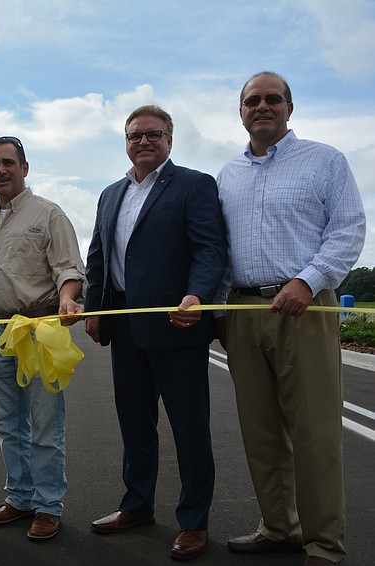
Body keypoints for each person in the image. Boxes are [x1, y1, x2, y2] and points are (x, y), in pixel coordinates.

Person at [216, 72, 365, 566]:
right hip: (241, 310)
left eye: (272, 99)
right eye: (252, 100)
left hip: (303, 306)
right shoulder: (227, 175)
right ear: (240, 111)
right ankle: (280, 526)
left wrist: (309, 279)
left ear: (290, 107)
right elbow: (220, 248)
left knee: (315, 432)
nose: (263, 106)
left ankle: (323, 544)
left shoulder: (325, 161)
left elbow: (347, 230)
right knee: (260, 431)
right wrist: (218, 308)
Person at [84, 105, 227, 560]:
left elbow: (210, 251)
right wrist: (94, 309)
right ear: (125, 141)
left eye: (153, 134)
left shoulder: (194, 185)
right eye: (135, 135)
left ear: (170, 139)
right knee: (134, 424)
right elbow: (98, 259)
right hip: (124, 326)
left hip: (177, 325)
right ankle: (137, 505)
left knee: (188, 429)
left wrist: (198, 296)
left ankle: (193, 522)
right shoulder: (110, 194)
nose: (144, 142)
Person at [0, 136, 85, 542]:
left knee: (44, 423)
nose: (1, 170)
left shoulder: (49, 214)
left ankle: (47, 506)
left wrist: (69, 299)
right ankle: (19, 497)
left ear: (25, 167)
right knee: (7, 423)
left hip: (39, 329)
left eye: (8, 162)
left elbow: (69, 268)